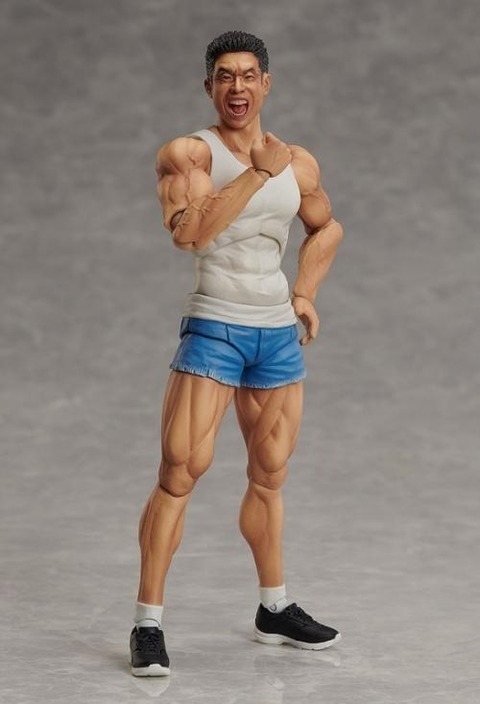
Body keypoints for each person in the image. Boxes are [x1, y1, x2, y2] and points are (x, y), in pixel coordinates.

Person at [130, 30, 344, 677]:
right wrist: (256, 173)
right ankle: (147, 622)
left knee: (270, 474)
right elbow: (190, 233)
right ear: (209, 87)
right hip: (215, 326)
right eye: (225, 75)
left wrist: (304, 292)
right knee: (180, 471)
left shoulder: (296, 162)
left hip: (274, 332)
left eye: (249, 75)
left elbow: (326, 226)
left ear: (266, 84)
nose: (237, 86)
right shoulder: (190, 153)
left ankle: (273, 608)